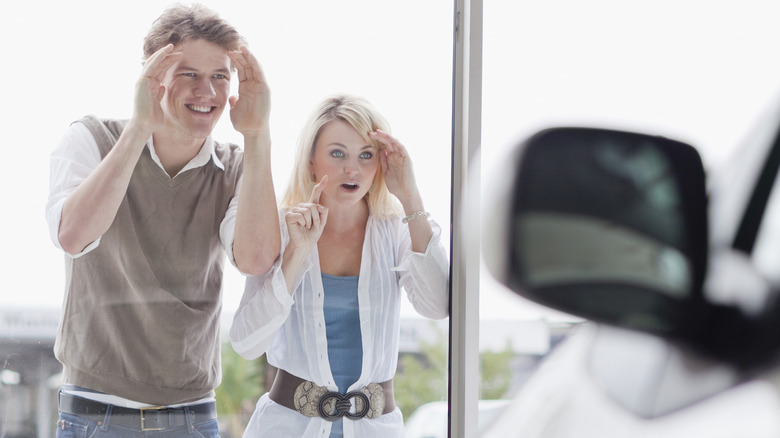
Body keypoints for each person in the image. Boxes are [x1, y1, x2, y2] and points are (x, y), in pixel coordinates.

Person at [44, 4, 280, 437]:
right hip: (94, 411)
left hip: (192, 415)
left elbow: (256, 258)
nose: (206, 90)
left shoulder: (236, 167)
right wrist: (140, 126)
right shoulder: (91, 139)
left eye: (220, 76)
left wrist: (257, 133)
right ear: (151, 77)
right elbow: (73, 235)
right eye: (187, 73)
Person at [230, 94, 450, 437]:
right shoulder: (282, 230)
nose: (353, 169)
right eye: (338, 153)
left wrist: (410, 197)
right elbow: (246, 344)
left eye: (366, 155)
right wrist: (296, 254)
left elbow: (437, 306)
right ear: (310, 161)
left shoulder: (397, 231)